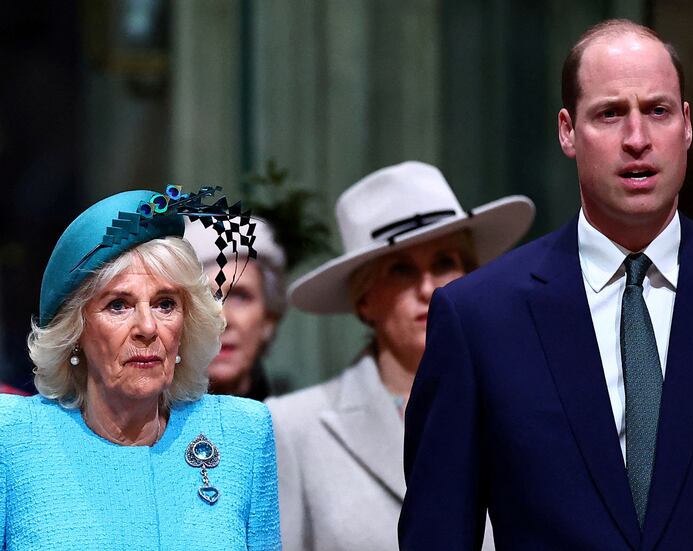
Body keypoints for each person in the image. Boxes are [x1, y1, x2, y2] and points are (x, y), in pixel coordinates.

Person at [399, 19, 693, 550]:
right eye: (610, 114)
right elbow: (438, 533)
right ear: (567, 131)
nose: (637, 139)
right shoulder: (479, 317)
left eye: (656, 111)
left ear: (687, 125)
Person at [267, 161, 534, 550]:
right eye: (400, 270)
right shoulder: (293, 427)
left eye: (445, 263)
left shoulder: (528, 407)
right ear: (364, 299)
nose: (429, 288)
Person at [0, 187, 281, 550]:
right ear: (75, 331)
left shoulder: (242, 432)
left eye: (165, 304)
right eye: (118, 305)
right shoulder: (14, 437)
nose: (148, 328)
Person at [184, 216, 286, 400]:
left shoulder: (296, 423)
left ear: (269, 320)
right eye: (202, 297)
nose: (222, 320)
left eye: (240, 297)